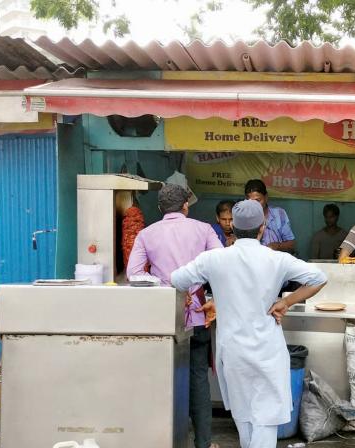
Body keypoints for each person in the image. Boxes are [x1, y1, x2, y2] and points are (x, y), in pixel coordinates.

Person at [171, 200, 327, 448]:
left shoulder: (213, 259)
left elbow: (177, 279)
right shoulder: (277, 259)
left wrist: (205, 297)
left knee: (243, 416)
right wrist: (286, 303)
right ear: (262, 227)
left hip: (232, 350)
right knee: (265, 420)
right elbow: (319, 278)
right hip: (267, 350)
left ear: (232, 225)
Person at [127, 184, 222, 448]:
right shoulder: (203, 229)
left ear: (159, 209)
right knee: (198, 379)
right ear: (186, 206)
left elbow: (134, 273)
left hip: (163, 318)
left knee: (163, 379)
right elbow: (220, 264)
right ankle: (203, 443)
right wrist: (195, 287)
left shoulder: (146, 234)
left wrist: (168, 287)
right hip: (198, 317)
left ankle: (165, 440)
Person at [245, 179, 296, 253]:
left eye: (258, 200)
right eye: (251, 202)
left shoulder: (279, 214)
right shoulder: (243, 217)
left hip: (277, 260)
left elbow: (292, 244)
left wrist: (277, 246)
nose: (255, 205)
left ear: (266, 197)